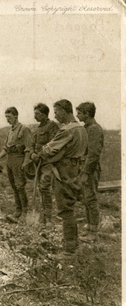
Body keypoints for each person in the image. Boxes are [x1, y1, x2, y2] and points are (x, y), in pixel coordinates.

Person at [32, 99, 88, 258]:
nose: (55, 116)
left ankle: (69, 250)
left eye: (56, 112)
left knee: (65, 210)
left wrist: (39, 153)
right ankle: (74, 244)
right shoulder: (81, 129)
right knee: (70, 207)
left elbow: (49, 149)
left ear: (64, 111)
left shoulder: (67, 130)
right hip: (75, 170)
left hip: (63, 172)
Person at [0, 107, 33, 219]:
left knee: (20, 186)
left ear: (16, 116)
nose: (7, 119)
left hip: (19, 160)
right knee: (14, 187)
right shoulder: (10, 131)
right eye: (6, 117)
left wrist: (25, 162)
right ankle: (18, 210)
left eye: (9, 117)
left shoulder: (24, 129)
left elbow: (29, 148)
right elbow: (6, 148)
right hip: (10, 161)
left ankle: (24, 212)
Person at [76, 102, 104, 242]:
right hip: (84, 167)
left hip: (90, 169)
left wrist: (86, 172)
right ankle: (89, 228)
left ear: (87, 114)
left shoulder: (94, 129)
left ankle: (93, 233)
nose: (77, 115)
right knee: (86, 198)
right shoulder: (87, 128)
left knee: (91, 199)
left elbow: (93, 154)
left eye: (79, 113)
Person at [29, 103, 60, 226]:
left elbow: (52, 145)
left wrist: (39, 155)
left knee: (45, 187)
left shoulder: (52, 126)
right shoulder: (38, 128)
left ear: (44, 114)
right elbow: (32, 144)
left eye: (37, 114)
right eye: (35, 113)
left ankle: (48, 217)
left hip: (48, 163)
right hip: (38, 163)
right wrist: (32, 154)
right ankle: (42, 216)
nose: (35, 116)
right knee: (40, 188)